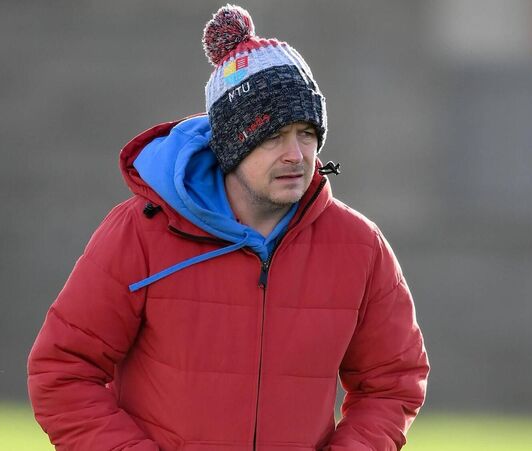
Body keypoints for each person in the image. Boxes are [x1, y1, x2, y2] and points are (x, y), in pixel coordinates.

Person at [27, 5, 429, 450]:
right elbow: (63, 373)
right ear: (232, 145)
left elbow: (391, 383)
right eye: (272, 136)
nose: (296, 154)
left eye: (306, 133)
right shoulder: (139, 233)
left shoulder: (361, 247)